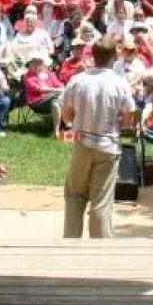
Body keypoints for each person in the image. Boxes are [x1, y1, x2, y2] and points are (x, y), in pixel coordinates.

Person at [59, 36, 138, 239]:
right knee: (101, 202)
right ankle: (100, 249)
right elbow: (129, 119)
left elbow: (66, 117)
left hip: (82, 142)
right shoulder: (120, 83)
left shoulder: (78, 81)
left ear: (92, 56)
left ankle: (70, 244)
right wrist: (118, 122)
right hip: (108, 145)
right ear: (114, 57)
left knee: (74, 195)